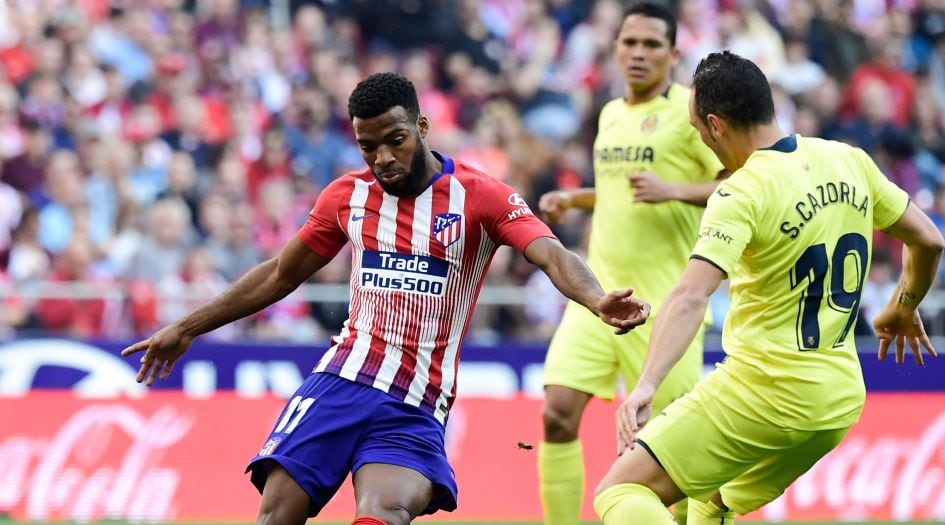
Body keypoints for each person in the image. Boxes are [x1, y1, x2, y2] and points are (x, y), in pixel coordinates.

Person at [122, 72, 651, 525]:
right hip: (341, 380)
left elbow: (553, 256)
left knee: (383, 515)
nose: (382, 158)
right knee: (276, 513)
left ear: (421, 127)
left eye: (394, 140)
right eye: (367, 146)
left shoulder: (481, 196)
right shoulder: (346, 196)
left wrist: (597, 298)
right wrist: (188, 327)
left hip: (415, 399)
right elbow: (280, 274)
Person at [593, 51, 945, 524]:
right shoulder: (848, 160)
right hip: (837, 402)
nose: (704, 141)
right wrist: (904, 305)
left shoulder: (740, 192)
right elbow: (928, 240)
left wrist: (646, 386)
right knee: (710, 498)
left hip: (764, 390)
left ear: (716, 126)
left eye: (699, 131)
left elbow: (692, 296)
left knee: (621, 489)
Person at [535, 3, 725, 524]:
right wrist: (575, 202)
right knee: (556, 414)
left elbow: (742, 182)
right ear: (615, 48)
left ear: (673, 53)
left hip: (665, 305)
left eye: (651, 45)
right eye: (630, 43)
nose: (639, 53)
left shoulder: (692, 112)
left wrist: (677, 190)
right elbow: (624, 192)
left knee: (671, 444)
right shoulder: (611, 113)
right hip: (599, 298)